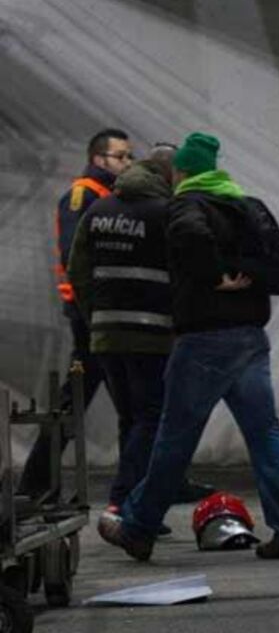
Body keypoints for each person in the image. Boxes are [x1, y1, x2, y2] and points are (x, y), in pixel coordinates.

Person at [97, 132, 279, 561]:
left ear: (181, 172)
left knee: (174, 438)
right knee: (265, 435)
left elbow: (192, 238)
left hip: (203, 341)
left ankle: (138, 527)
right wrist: (245, 272)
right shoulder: (250, 206)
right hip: (251, 339)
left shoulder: (186, 205)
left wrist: (215, 275)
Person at [17, 129, 132, 501]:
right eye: (121, 157)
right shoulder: (83, 196)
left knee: (113, 405)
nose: (127, 163)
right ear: (99, 159)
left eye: (129, 157)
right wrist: (93, 311)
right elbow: (75, 257)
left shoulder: (108, 197)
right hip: (92, 320)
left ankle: (38, 485)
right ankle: (37, 485)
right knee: (101, 404)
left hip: (101, 318)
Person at [67, 154, 176, 524]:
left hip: (106, 334)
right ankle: (124, 502)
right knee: (151, 419)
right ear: (165, 176)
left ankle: (133, 502)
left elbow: (76, 269)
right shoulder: (164, 213)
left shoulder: (99, 210)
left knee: (130, 418)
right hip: (152, 335)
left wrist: (93, 316)